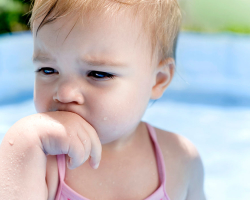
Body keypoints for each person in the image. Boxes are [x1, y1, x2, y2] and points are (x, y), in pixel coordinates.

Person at [0, 0, 206, 199]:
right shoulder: (39, 163)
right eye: (48, 70)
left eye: (98, 74)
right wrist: (23, 141)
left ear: (157, 80)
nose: (64, 93)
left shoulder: (180, 160)